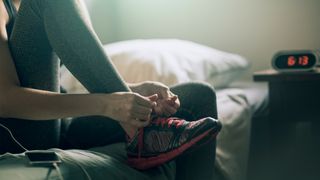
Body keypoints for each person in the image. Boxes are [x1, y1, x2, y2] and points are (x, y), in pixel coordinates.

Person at [0, 0, 221, 179]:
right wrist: (108, 104)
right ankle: (141, 132)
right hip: (17, 135)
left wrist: (130, 92)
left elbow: (56, 88)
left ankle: (141, 130)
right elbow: (5, 99)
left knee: (198, 98)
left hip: (60, 127)